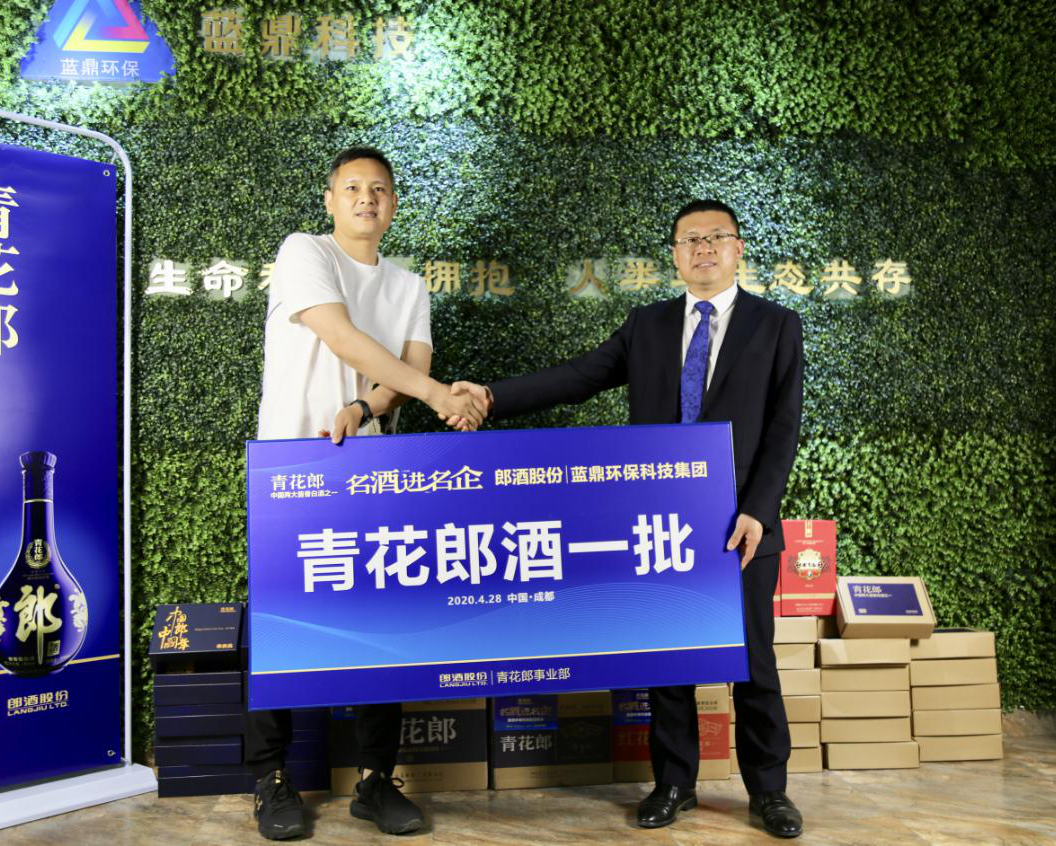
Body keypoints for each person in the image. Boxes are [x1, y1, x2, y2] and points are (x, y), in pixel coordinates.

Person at [450, 199, 805, 838]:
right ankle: (674, 783)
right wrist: (492, 397)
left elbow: (784, 428)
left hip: (742, 527)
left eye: (716, 237)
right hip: (662, 525)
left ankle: (770, 791)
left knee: (753, 661)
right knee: (668, 662)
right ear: (674, 255)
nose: (704, 248)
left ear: (738, 248)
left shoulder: (776, 325)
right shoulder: (648, 325)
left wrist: (758, 511)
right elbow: (580, 376)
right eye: (691, 239)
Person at [248, 146, 485, 841]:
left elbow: (406, 370)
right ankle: (271, 780)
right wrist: (438, 396)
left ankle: (376, 779)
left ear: (394, 204)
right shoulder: (304, 252)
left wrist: (365, 408)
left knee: (383, 621)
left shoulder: (409, 285)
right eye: (352, 187)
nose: (365, 198)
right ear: (330, 200)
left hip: (374, 472)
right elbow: (342, 336)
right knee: (281, 621)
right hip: (293, 465)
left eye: (379, 189)